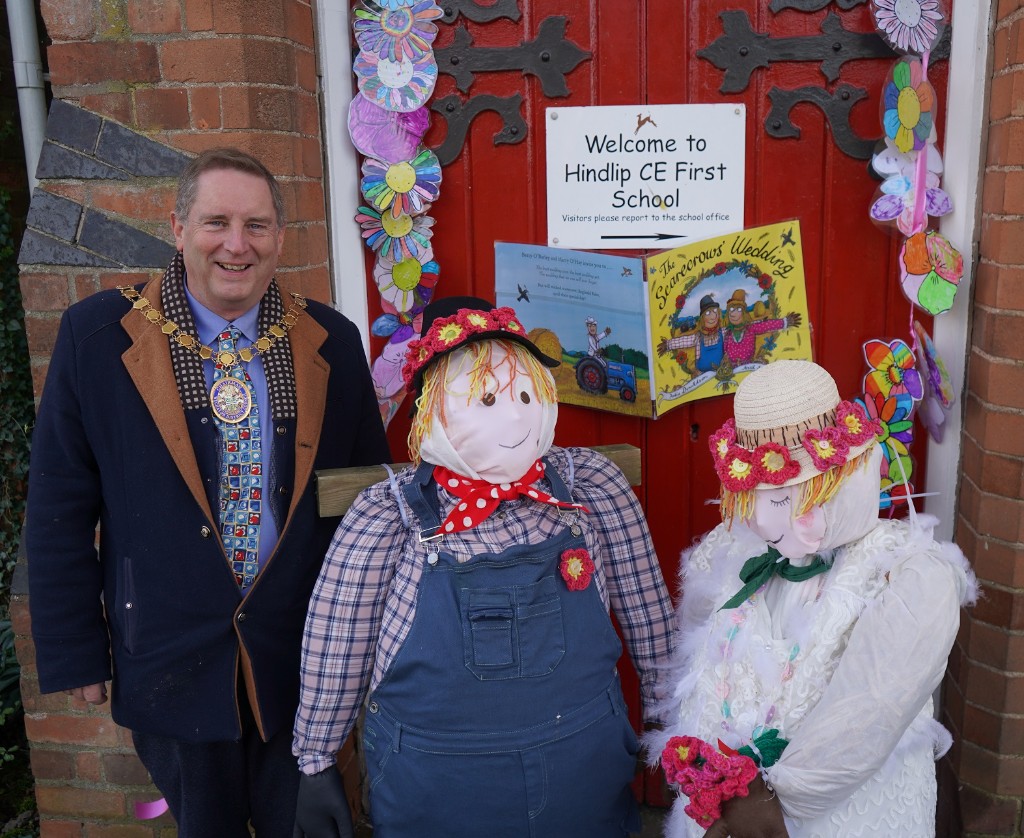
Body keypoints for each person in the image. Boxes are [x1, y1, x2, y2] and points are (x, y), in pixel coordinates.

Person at [25, 147, 391, 838]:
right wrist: (75, 647)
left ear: (280, 238)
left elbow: (365, 503)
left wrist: (375, 636)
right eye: (215, 222)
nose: (236, 244)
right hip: (169, 651)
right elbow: (58, 507)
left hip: (302, 657)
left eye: (256, 226)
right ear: (177, 227)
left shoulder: (333, 342)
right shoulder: (97, 337)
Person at [292, 296, 675, 838]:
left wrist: (679, 725)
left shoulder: (590, 487)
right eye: (486, 397)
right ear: (431, 409)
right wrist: (316, 760)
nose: (515, 416)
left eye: (524, 393)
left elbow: (651, 620)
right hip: (436, 789)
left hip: (582, 776)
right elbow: (336, 644)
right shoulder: (389, 515)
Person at [648, 359, 976, 837]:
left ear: (843, 477)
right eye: (753, 497)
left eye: (785, 497)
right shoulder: (727, 551)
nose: (763, 521)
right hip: (726, 815)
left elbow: (872, 705)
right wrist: (697, 769)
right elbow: (699, 659)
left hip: (833, 815)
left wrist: (775, 800)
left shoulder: (906, 573)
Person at [721, 289, 801, 367]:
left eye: (738, 309)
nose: (733, 313)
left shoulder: (750, 329)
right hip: (732, 371)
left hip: (748, 369)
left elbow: (766, 325)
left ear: (744, 313)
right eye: (731, 309)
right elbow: (723, 351)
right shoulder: (728, 334)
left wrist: (785, 322)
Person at [658, 293, 725, 373]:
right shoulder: (698, 337)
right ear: (702, 318)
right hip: (702, 375)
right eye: (708, 313)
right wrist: (668, 344)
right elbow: (684, 341)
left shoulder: (723, 333)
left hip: (721, 372)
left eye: (714, 311)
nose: (713, 316)